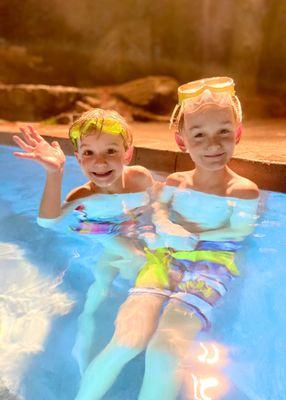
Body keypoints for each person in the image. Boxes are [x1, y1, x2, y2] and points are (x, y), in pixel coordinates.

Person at [74, 77, 259, 400]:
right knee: (127, 339)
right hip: (166, 255)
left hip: (210, 264)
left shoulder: (242, 190)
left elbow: (240, 230)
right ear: (181, 140)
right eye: (199, 134)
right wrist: (166, 227)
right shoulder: (175, 181)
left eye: (223, 132)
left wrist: (194, 235)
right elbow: (158, 211)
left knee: (164, 350)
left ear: (238, 134)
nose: (212, 145)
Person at [12, 108, 154, 374]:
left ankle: (137, 334)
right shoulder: (82, 197)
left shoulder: (140, 178)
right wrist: (55, 173)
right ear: (77, 158)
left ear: (128, 153)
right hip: (103, 237)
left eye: (110, 151)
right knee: (97, 295)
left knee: (135, 268)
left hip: (131, 234)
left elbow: (155, 207)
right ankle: (84, 355)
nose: (99, 162)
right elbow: (48, 221)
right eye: (88, 153)